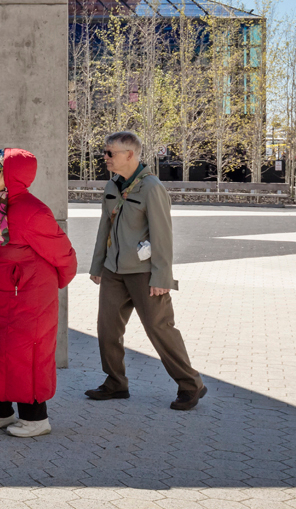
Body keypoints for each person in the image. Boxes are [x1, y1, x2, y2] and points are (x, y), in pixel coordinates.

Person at [87, 131, 207, 410]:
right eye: (105, 152)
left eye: (110, 153)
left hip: (143, 272)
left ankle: (191, 384)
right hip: (114, 271)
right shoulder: (113, 185)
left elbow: (162, 235)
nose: (105, 157)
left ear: (130, 155)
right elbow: (103, 228)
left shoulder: (152, 188)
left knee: (159, 328)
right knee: (107, 329)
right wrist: (97, 266)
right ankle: (115, 382)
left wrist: (162, 277)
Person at [0, 147, 77, 438]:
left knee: (26, 356)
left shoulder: (31, 210)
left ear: (11, 175)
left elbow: (64, 256)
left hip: (27, 298)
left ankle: (36, 419)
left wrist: (49, 286)